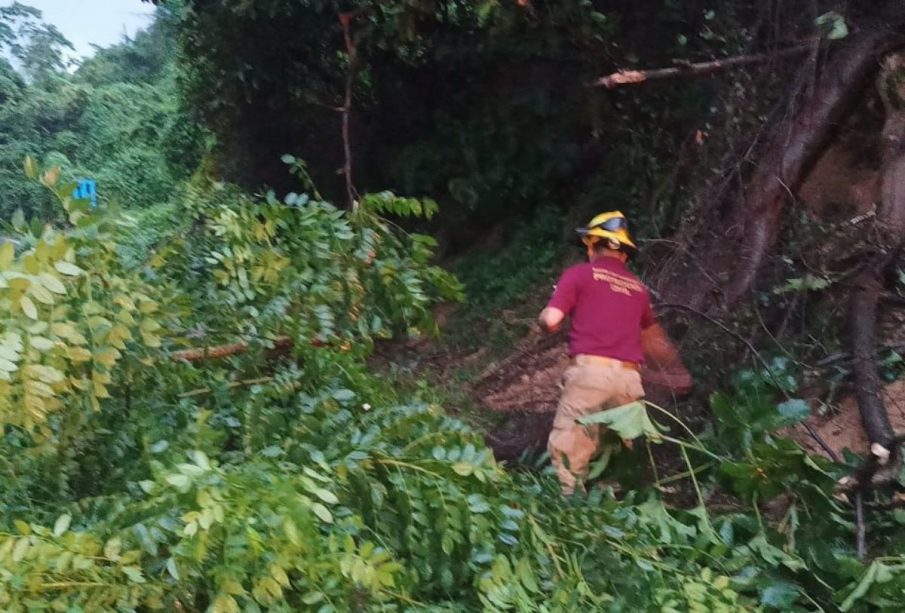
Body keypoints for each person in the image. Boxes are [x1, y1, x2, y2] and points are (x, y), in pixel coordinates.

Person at [538, 211, 691, 495]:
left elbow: (551, 321)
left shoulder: (579, 275)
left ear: (593, 244)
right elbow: (654, 340)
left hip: (590, 377)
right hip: (628, 383)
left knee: (569, 458)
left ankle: (569, 516)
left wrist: (545, 313)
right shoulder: (638, 289)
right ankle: (618, 514)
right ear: (625, 253)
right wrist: (679, 374)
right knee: (618, 457)